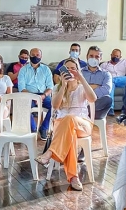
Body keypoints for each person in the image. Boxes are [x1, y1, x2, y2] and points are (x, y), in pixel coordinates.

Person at [35, 58, 97, 191]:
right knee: (71, 134)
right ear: (62, 72)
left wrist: (80, 77)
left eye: (73, 69)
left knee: (69, 119)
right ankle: (74, 177)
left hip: (83, 124)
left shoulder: (82, 87)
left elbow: (93, 98)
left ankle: (50, 153)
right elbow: (55, 106)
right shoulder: (57, 88)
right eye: (67, 69)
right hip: (62, 125)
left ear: (78, 70)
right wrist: (63, 85)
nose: (70, 71)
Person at [18, 47, 53, 140]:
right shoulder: (23, 70)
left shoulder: (46, 69)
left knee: (55, 105)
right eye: (33, 55)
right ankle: (33, 130)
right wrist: (33, 97)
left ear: (41, 56)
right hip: (29, 95)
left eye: (37, 55)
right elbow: (21, 88)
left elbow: (50, 87)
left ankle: (44, 128)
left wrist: (43, 96)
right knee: (23, 106)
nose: (35, 57)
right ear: (29, 56)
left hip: (43, 95)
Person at [101, 48, 126, 115]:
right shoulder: (104, 65)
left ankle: (112, 80)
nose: (115, 57)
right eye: (114, 55)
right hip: (111, 82)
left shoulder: (124, 61)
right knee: (111, 84)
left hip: (123, 81)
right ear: (111, 55)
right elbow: (101, 75)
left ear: (120, 57)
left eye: (117, 56)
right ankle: (111, 108)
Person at [80, 46, 113, 121]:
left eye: (97, 56)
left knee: (108, 99)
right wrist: (95, 86)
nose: (93, 58)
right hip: (82, 102)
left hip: (98, 109)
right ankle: (83, 111)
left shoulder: (106, 74)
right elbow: (77, 88)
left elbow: (106, 90)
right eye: (91, 56)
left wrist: (88, 91)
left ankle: (84, 111)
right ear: (87, 57)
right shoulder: (80, 73)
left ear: (100, 59)